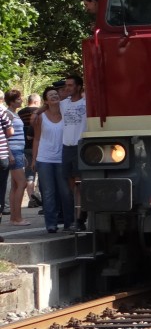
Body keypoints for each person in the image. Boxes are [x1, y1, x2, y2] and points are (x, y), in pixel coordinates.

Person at [30, 86, 70, 233]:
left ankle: (69, 222)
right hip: (44, 158)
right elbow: (36, 139)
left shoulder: (66, 113)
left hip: (61, 158)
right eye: (50, 95)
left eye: (55, 94)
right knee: (48, 193)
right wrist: (34, 159)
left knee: (65, 192)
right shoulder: (41, 116)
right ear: (46, 100)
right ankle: (51, 224)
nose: (54, 96)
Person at [59, 74, 87, 230]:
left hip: (80, 144)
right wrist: (37, 112)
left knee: (79, 183)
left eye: (70, 85)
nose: (67, 88)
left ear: (78, 87)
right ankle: (77, 215)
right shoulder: (64, 104)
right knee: (71, 183)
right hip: (66, 146)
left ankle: (80, 218)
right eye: (66, 85)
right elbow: (48, 105)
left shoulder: (85, 102)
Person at [4, 90, 27, 225]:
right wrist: (10, 153)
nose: (21, 100)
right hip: (14, 151)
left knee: (15, 185)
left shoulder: (14, 113)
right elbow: (5, 135)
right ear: (12, 101)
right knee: (22, 183)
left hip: (18, 151)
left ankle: (14, 217)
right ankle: (17, 218)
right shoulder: (8, 114)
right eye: (18, 99)